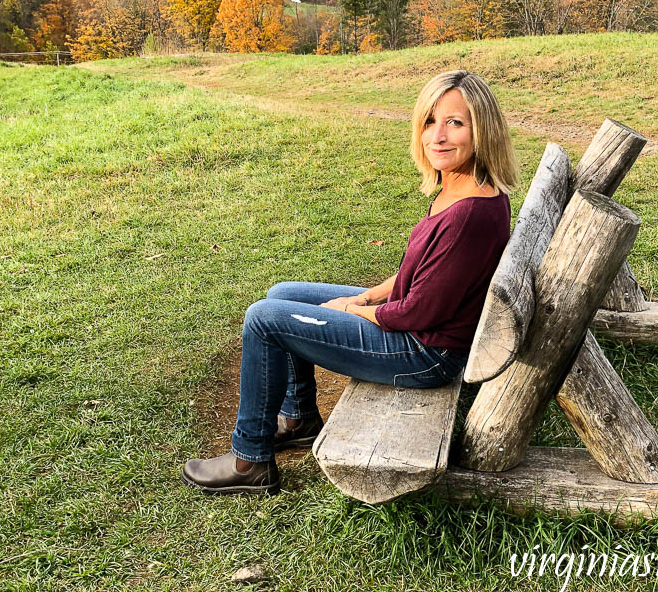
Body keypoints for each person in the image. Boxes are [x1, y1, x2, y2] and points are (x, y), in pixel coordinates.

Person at [182, 69, 519, 494]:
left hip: (425, 352)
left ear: (481, 130)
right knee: (283, 294)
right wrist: (369, 293)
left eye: (455, 123)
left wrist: (354, 309)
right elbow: (425, 274)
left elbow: (420, 311)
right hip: (422, 330)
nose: (437, 136)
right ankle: (299, 418)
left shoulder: (468, 213)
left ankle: (250, 461)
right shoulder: (465, 189)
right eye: (430, 121)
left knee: (264, 319)